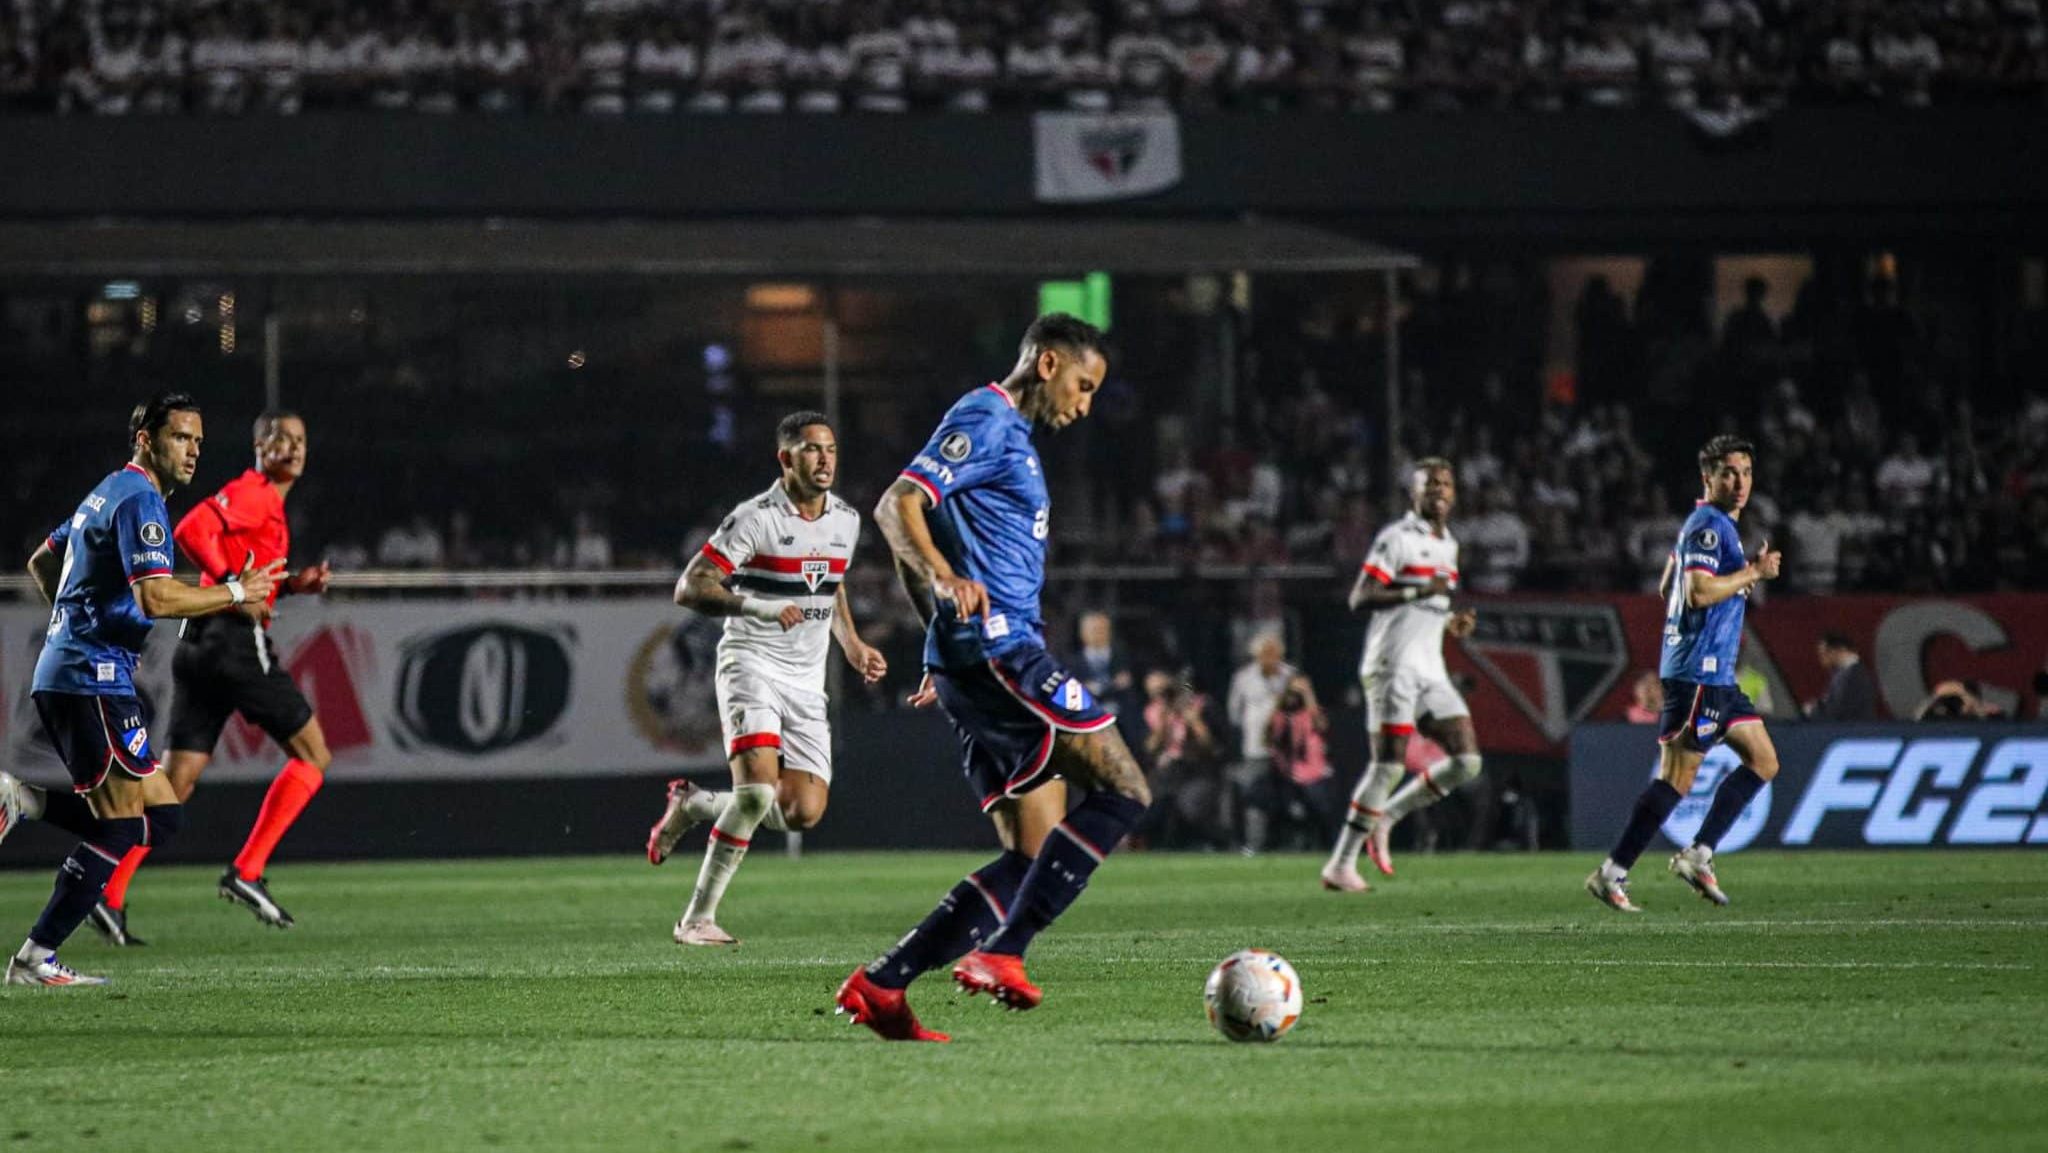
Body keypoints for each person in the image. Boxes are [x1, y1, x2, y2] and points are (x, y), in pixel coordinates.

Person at [836, 314, 1151, 1041]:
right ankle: (1003, 950)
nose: (1085, 404)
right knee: (1125, 788)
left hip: (974, 654)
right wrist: (945, 581)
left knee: (1034, 854)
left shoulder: (1014, 438)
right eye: (1083, 385)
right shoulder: (987, 417)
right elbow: (896, 506)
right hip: (1002, 651)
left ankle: (883, 984)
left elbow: (922, 536)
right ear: (1048, 364)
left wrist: (936, 637)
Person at [0, 393, 278, 985]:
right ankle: (34, 957)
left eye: (198, 441)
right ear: (146, 440)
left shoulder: (106, 492)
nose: (193, 451)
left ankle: (26, 801)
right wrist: (234, 593)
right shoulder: (140, 500)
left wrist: (76, 623)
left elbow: (43, 561)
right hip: (90, 678)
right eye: (180, 437)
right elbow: (154, 596)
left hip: (82, 672)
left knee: (162, 816)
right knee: (122, 828)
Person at [86, 410, 335, 944]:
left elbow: (248, 569)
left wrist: (293, 586)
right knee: (313, 755)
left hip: (199, 644)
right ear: (259, 447)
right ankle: (247, 870)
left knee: (174, 784)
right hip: (232, 643)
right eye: (281, 438)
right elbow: (191, 529)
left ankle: (106, 893)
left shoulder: (267, 505)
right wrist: (233, 588)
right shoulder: (254, 492)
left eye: (300, 440)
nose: (293, 447)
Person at [644, 411, 887, 945]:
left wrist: (851, 644)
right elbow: (690, 587)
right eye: (811, 449)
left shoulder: (846, 520)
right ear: (785, 459)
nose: (824, 459)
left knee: (802, 811)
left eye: (830, 449)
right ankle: (696, 919)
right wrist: (758, 606)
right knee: (755, 795)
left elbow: (832, 586)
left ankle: (693, 805)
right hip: (751, 663)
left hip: (806, 681)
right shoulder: (755, 518)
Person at [1586, 434, 1783, 913]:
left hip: (1716, 677)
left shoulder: (1707, 527)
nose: (1739, 482)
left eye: (1746, 472)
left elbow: (1666, 586)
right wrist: (1753, 574)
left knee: (1764, 761)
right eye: (1728, 473)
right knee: (1676, 779)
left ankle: (1698, 854)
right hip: (1698, 674)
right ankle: (1612, 873)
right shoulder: (1710, 526)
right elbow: (1695, 592)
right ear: (1707, 478)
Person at [1321, 457, 1483, 892]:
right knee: (1387, 766)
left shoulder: (1449, 544)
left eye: (1445, 484)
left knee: (1467, 761)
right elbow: (1360, 597)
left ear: (1454, 493)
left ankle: (1387, 816)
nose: (1438, 491)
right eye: (1429, 485)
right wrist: (1419, 589)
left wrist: (1449, 622)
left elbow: (1426, 607)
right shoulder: (1396, 538)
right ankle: (1340, 864)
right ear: (1413, 493)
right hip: (1391, 664)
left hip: (1430, 666)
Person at [1225, 631, 1296, 851]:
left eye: (1274, 653)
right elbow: (1234, 713)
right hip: (1255, 747)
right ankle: (1254, 843)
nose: (1270, 657)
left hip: (1287, 749)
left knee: (1287, 795)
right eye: (1265, 653)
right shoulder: (1244, 678)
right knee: (1256, 795)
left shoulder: (1289, 675)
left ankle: (1288, 840)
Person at [1804, 632, 1878, 721]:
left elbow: (1836, 713)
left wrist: (1812, 710)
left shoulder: (1852, 675)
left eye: (1825, 653)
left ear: (1840, 650)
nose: (1822, 658)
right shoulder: (1846, 673)